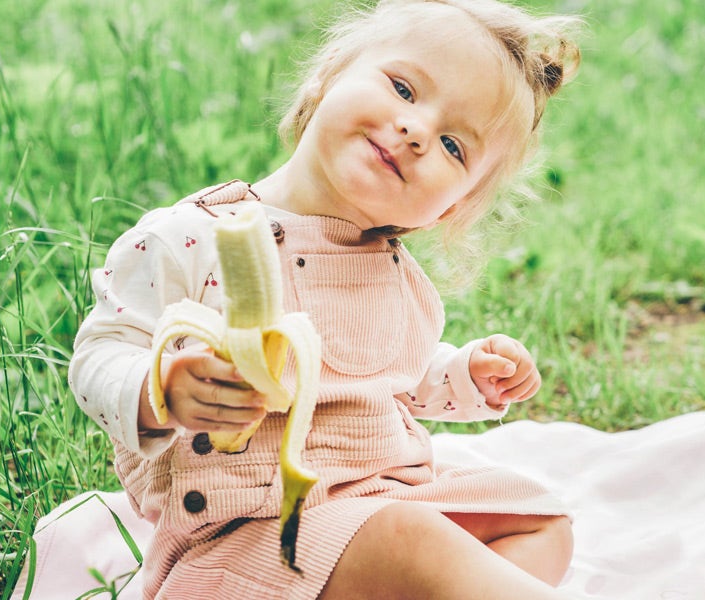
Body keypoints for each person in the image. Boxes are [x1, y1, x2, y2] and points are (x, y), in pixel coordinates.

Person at [69, 1, 583, 597]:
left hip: (380, 497)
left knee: (543, 522)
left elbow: (388, 377)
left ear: (451, 208)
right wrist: (163, 389)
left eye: (452, 146)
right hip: (254, 533)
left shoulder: (395, 276)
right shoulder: (193, 237)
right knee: (410, 540)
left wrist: (462, 373)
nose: (417, 132)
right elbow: (99, 356)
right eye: (402, 88)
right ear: (330, 74)